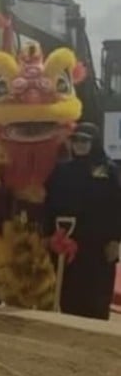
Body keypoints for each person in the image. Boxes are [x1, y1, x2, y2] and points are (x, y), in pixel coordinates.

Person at [43, 122, 121, 320]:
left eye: (84, 140)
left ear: (94, 142)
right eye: (75, 140)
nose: (79, 144)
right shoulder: (61, 171)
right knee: (69, 297)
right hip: (69, 246)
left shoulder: (110, 171)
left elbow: (117, 206)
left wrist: (115, 239)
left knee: (96, 298)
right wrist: (48, 235)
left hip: (99, 247)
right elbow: (49, 204)